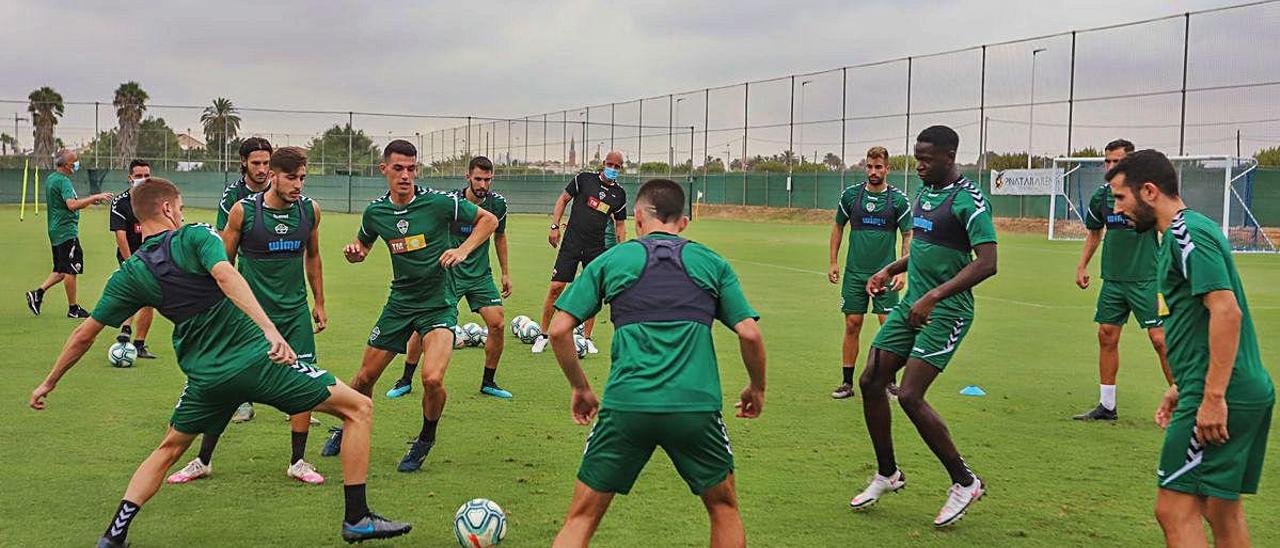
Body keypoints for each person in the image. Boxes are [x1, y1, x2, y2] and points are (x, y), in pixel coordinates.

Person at [27, 178, 411, 547]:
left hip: (205, 378)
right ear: (167, 208)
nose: (180, 212)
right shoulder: (195, 235)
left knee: (168, 449)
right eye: (178, 207)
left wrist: (49, 382)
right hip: (257, 362)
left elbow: (85, 334)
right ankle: (357, 519)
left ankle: (114, 533)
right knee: (358, 408)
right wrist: (271, 332)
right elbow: (226, 274)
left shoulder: (130, 273)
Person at [547, 178, 766, 548]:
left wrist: (581, 387)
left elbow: (558, 330)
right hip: (695, 407)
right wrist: (756, 388)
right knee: (724, 509)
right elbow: (750, 334)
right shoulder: (711, 262)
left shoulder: (612, 260)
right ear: (683, 222)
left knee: (581, 517)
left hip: (626, 405)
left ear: (637, 217)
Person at [1105, 149, 1273, 548]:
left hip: (1222, 393)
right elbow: (1196, 320)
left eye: (1120, 197)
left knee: (1174, 509)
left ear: (1148, 191)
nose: (1117, 209)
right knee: (1221, 509)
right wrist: (1181, 385)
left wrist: (1211, 395)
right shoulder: (1181, 234)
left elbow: (1226, 312)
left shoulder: (1186, 233)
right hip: (1234, 387)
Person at [850, 126, 998, 527]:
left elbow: (987, 262)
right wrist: (890, 268)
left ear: (950, 156)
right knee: (870, 381)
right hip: (912, 305)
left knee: (911, 395)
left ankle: (965, 482)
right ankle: (887, 473)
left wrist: (934, 297)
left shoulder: (970, 200)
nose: (919, 166)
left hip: (946, 312)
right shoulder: (924, 193)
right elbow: (924, 250)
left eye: (926, 159)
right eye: (916, 157)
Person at [320, 140, 498, 473]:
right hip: (400, 303)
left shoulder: (439, 203)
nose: (405, 175)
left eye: (412, 169)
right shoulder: (376, 212)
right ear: (383, 169)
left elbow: (488, 221)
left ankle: (425, 440)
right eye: (398, 168)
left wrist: (463, 251)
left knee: (432, 379)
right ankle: (346, 426)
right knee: (363, 378)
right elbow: (364, 244)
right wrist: (356, 252)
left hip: (438, 303)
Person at [166, 147, 329, 485]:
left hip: (294, 313)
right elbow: (221, 265)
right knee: (230, 386)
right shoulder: (244, 212)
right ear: (272, 175)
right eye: (291, 177)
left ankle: (298, 461)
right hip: (250, 318)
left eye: (302, 178)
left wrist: (319, 302)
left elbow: (313, 257)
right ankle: (203, 459)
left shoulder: (310, 211)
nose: (298, 185)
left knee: (305, 383)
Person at [386, 156, 513, 400]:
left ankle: (489, 381)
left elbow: (499, 236)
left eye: (487, 180)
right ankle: (405, 378)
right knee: (422, 327)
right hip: (447, 274)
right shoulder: (451, 202)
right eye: (478, 179)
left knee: (497, 323)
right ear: (468, 177)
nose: (483, 185)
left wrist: (505, 272)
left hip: (479, 276)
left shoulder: (498, 205)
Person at [1074, 138, 1172, 421]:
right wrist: (1082, 265)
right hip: (1113, 281)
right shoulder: (1102, 196)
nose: (1111, 166)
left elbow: (1169, 229)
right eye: (1107, 161)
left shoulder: (1148, 195)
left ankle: (1186, 405)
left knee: (1161, 340)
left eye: (1117, 161)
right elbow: (1094, 232)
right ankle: (1107, 406)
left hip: (1148, 279)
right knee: (1106, 335)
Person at [828, 146, 911, 399]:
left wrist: (902, 270)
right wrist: (832, 261)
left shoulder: (898, 200)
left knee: (888, 326)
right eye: (869, 166)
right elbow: (838, 227)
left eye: (878, 167)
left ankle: (889, 381)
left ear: (887, 168)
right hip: (855, 273)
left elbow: (908, 234)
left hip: (884, 275)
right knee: (853, 324)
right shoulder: (851, 196)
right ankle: (846, 383)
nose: (873, 172)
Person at [531, 151, 628, 355]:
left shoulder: (619, 195)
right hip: (572, 243)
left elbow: (620, 225)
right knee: (556, 287)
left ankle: (586, 338)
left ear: (620, 169)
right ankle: (543, 334)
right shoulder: (584, 179)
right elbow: (563, 200)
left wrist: (621, 250)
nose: (612, 169)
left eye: (617, 167)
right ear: (603, 164)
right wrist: (554, 226)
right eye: (610, 164)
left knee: (592, 293)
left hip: (596, 248)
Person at [217, 136, 274, 424]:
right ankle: (243, 402)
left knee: (292, 337)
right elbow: (224, 245)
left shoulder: (282, 189)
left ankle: (301, 404)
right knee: (245, 339)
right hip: (247, 277)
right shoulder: (232, 197)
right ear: (243, 162)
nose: (262, 169)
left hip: (281, 278)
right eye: (256, 163)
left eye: (266, 163)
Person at [25, 149, 113, 318]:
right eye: (74, 162)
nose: (77, 164)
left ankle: (37, 294)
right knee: (71, 269)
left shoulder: (52, 179)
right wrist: (94, 198)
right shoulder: (63, 181)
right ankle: (73, 309)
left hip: (56, 230)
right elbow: (72, 204)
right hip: (65, 231)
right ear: (65, 165)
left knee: (61, 269)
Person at [109, 159, 159, 359]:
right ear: (130, 178)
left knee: (148, 299)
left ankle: (137, 342)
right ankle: (127, 329)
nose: (143, 179)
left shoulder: (155, 200)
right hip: (129, 255)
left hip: (152, 256)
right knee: (135, 292)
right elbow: (120, 235)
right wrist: (130, 263)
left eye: (147, 176)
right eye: (139, 176)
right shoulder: (120, 202)